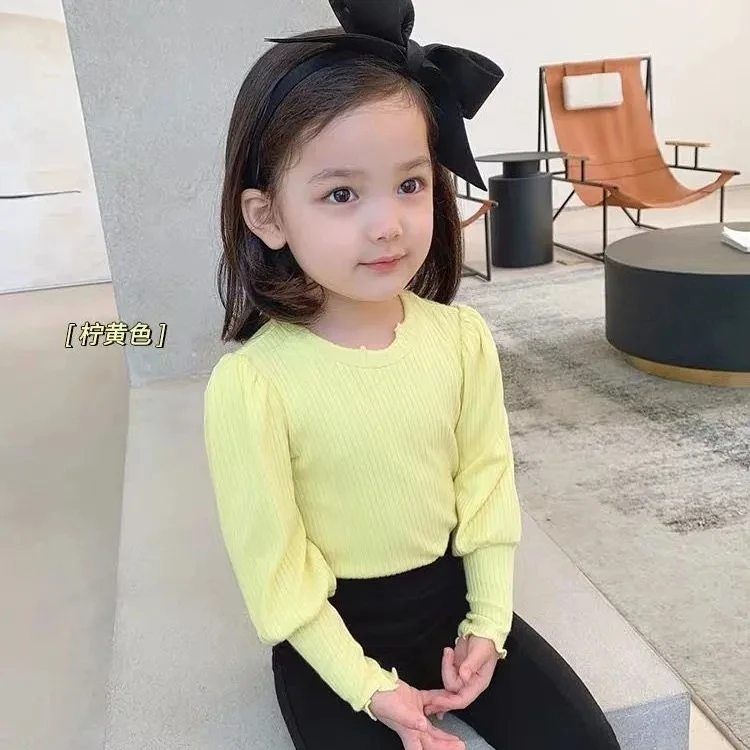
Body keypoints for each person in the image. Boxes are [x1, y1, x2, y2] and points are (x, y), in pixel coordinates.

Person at [203, 2, 622, 748]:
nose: (387, 224)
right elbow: (278, 572)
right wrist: (369, 687)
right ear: (268, 217)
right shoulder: (254, 386)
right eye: (341, 194)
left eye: (409, 184)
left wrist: (487, 623)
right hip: (329, 639)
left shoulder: (461, 339)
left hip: (449, 609)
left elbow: (486, 487)